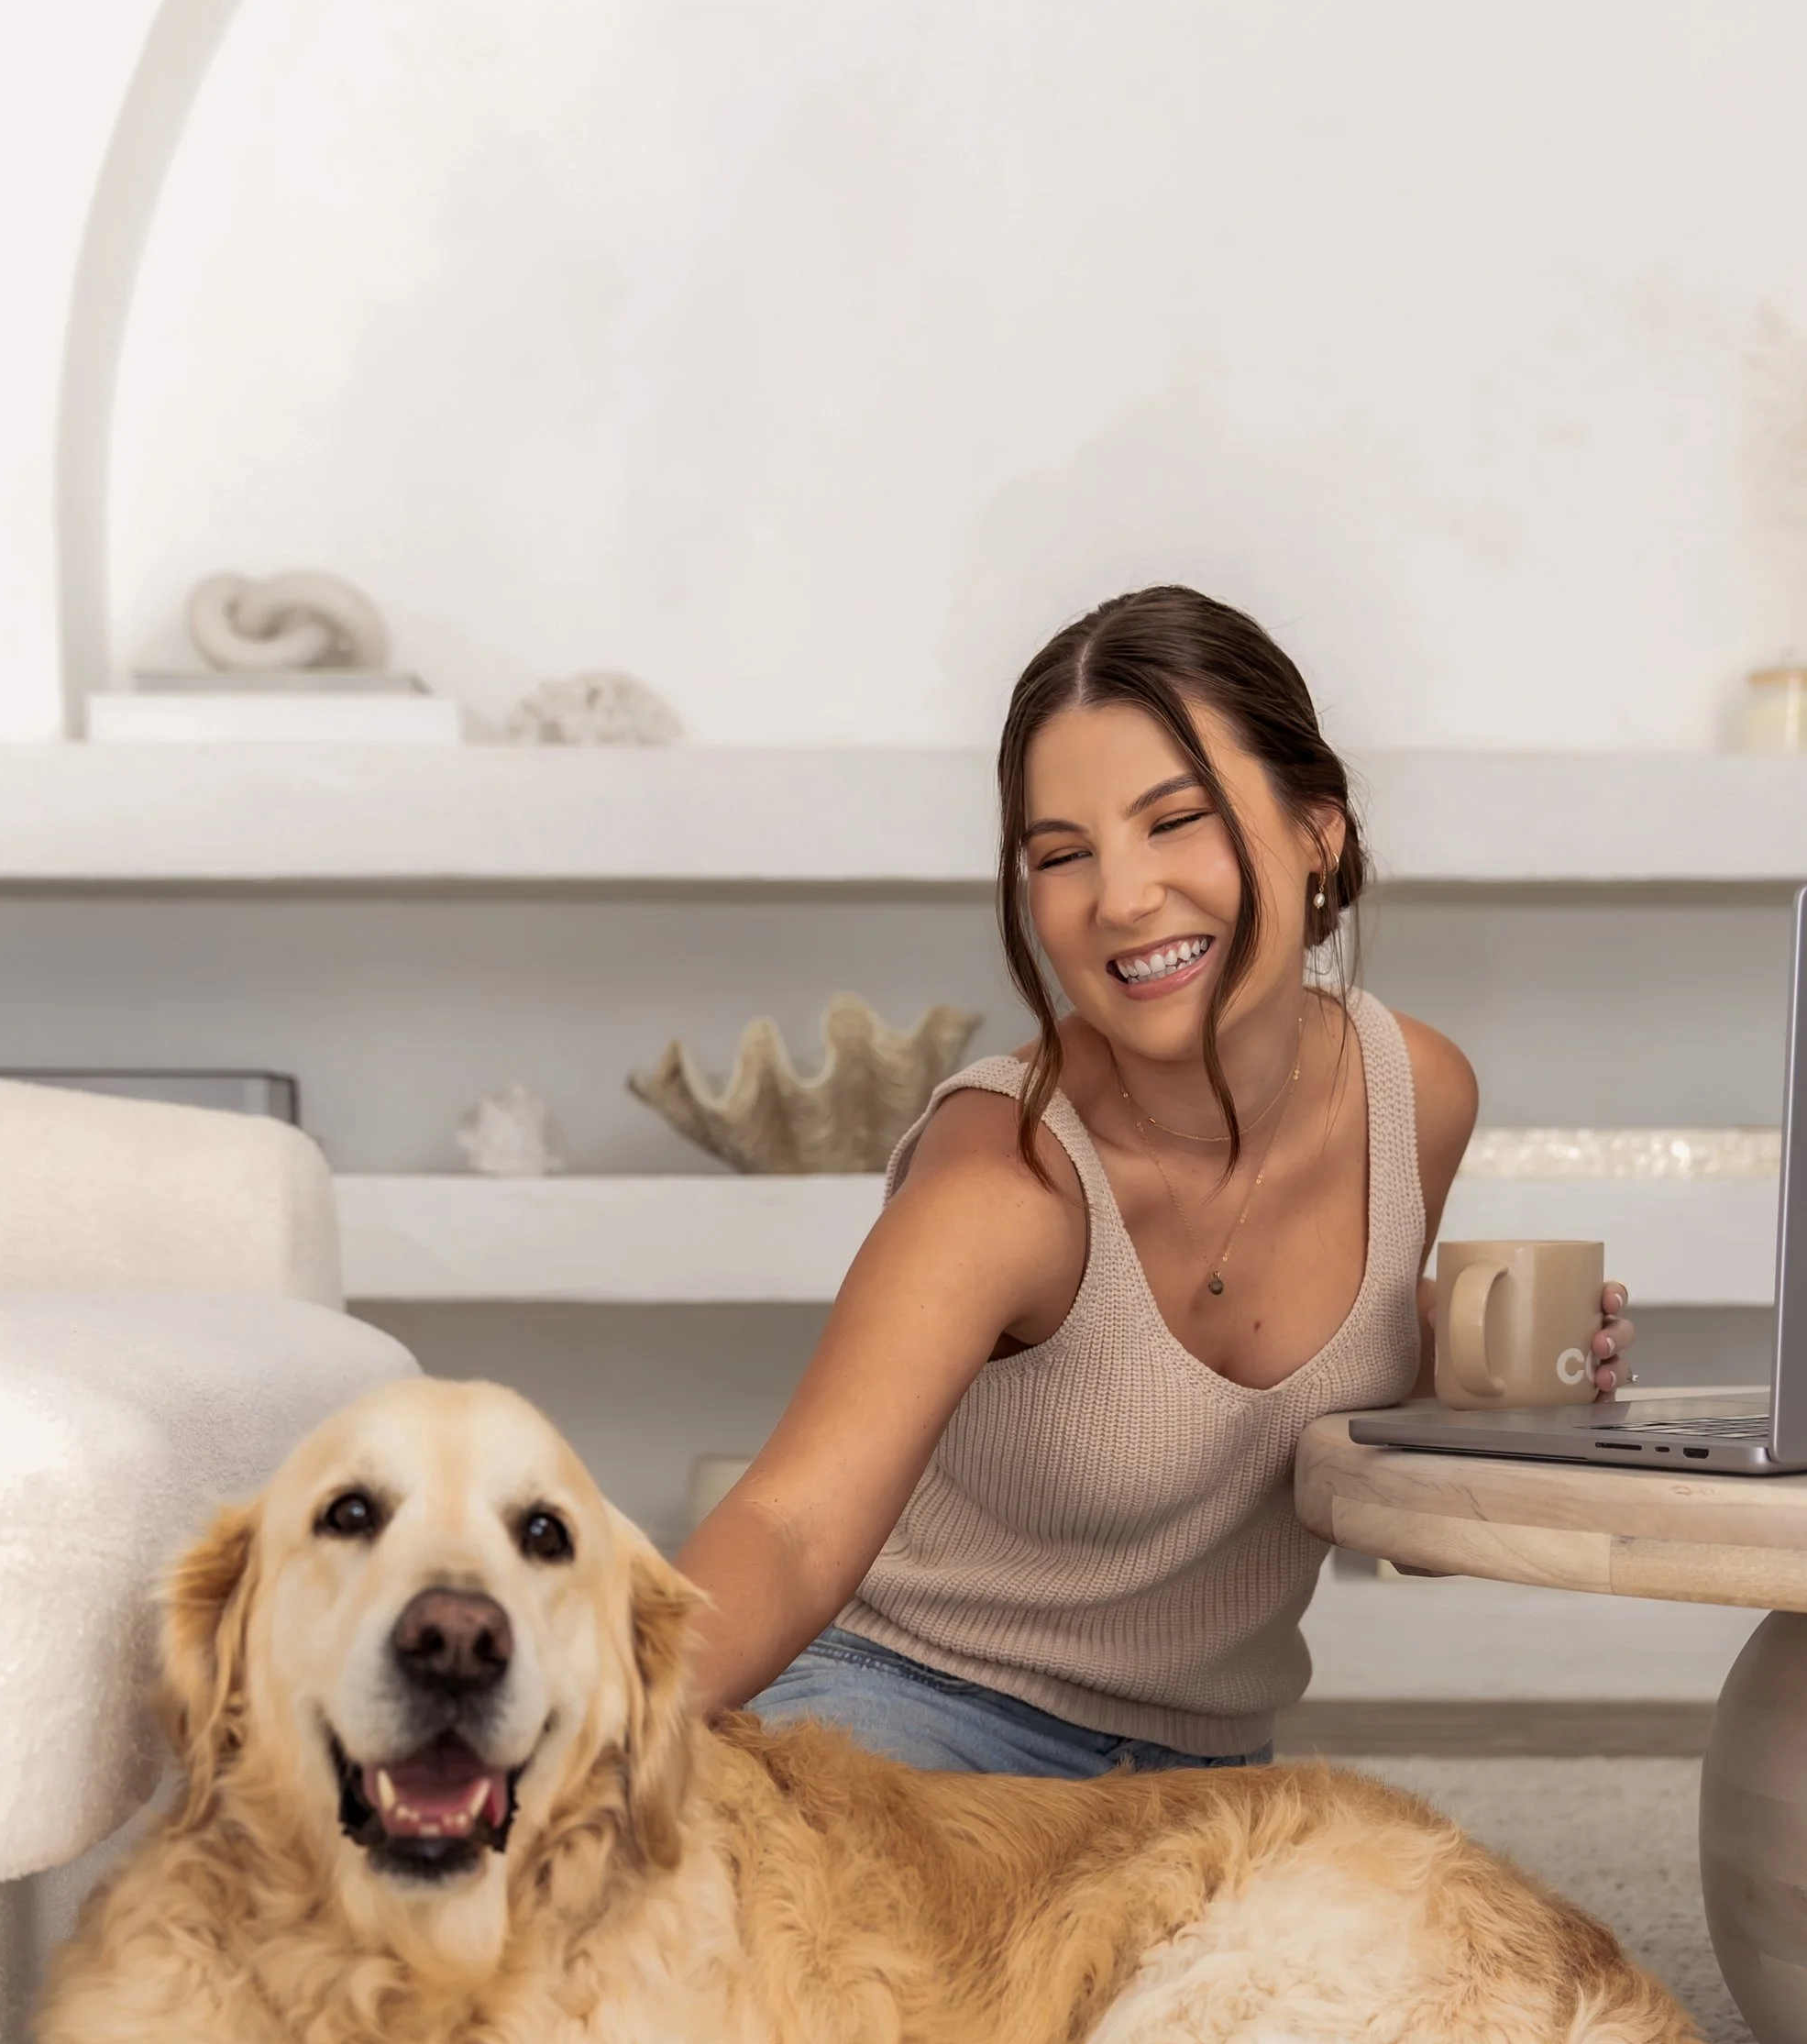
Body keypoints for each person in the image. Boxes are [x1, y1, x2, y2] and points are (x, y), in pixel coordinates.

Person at [676, 584, 1631, 1774]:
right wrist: (567, 1748)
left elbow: (1354, 1477)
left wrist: (1455, 1369)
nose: (1121, 898)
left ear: (1314, 832)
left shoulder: (1418, 1096)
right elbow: (793, 1526)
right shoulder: (1004, 1180)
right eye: (1062, 853)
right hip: (910, 1721)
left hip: (1203, 1772)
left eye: (1174, 821)